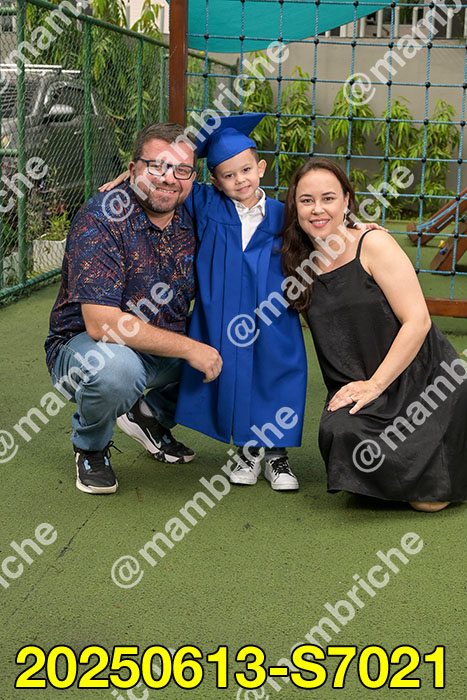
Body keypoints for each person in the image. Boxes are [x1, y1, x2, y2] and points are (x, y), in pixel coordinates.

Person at [103, 114, 308, 490]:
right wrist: (128, 178)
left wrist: (361, 227)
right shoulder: (206, 204)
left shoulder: (285, 215)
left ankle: (277, 456)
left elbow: (323, 226)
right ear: (213, 180)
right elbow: (164, 184)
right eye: (228, 175)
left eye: (246, 170)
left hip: (274, 318)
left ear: (261, 168)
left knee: (276, 376)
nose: (239, 180)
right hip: (221, 316)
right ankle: (247, 450)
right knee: (224, 374)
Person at [280, 157, 467, 512]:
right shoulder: (296, 260)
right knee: (339, 432)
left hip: (422, 379)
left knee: (428, 503)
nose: (317, 209)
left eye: (328, 198)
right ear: (295, 206)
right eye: (306, 200)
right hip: (361, 390)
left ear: (347, 200)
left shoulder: (373, 244)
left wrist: (375, 384)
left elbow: (418, 321)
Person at [45, 123, 222, 495]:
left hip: (160, 343)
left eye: (181, 170)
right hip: (85, 349)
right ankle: (90, 448)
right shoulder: (101, 218)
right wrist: (192, 348)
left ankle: (148, 415)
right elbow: (102, 325)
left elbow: (248, 196)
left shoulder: (193, 209)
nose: (169, 178)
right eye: (156, 166)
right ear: (132, 169)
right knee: (117, 371)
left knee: (233, 339)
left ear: (193, 178)